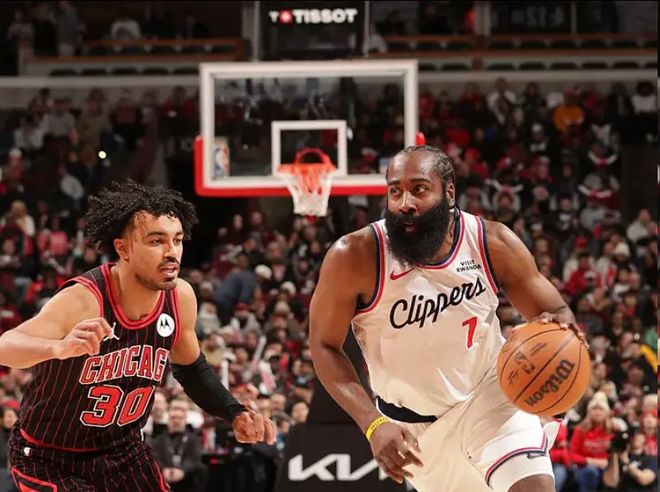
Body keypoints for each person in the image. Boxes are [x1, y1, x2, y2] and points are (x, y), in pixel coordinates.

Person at [310, 145, 587, 492]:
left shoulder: (492, 242)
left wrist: (561, 337)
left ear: (449, 192)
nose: (405, 203)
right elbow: (323, 345)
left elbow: (557, 312)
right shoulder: (355, 256)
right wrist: (372, 424)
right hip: (416, 430)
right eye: (395, 191)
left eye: (419, 189)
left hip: (492, 397)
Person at [0, 181, 276, 491]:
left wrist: (234, 412)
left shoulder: (180, 298)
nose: (171, 252)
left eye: (177, 240)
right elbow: (5, 346)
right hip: (49, 457)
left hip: (124, 454)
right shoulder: (84, 300)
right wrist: (58, 347)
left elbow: (191, 369)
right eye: (156, 241)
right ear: (123, 249)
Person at [151, 400, 208, 492]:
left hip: (186, 476)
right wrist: (163, 469)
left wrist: (183, 470)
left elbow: (194, 458)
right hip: (164, 474)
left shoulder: (193, 440)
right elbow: (156, 458)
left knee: (201, 468)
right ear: (168, 420)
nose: (176, 421)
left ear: (185, 420)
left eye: (180, 418)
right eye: (173, 418)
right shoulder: (159, 440)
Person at [603, 427, 657, 492]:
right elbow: (611, 483)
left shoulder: (650, 459)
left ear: (644, 438)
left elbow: (644, 480)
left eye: (639, 434)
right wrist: (615, 454)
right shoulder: (617, 458)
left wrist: (627, 463)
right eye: (632, 434)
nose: (635, 437)